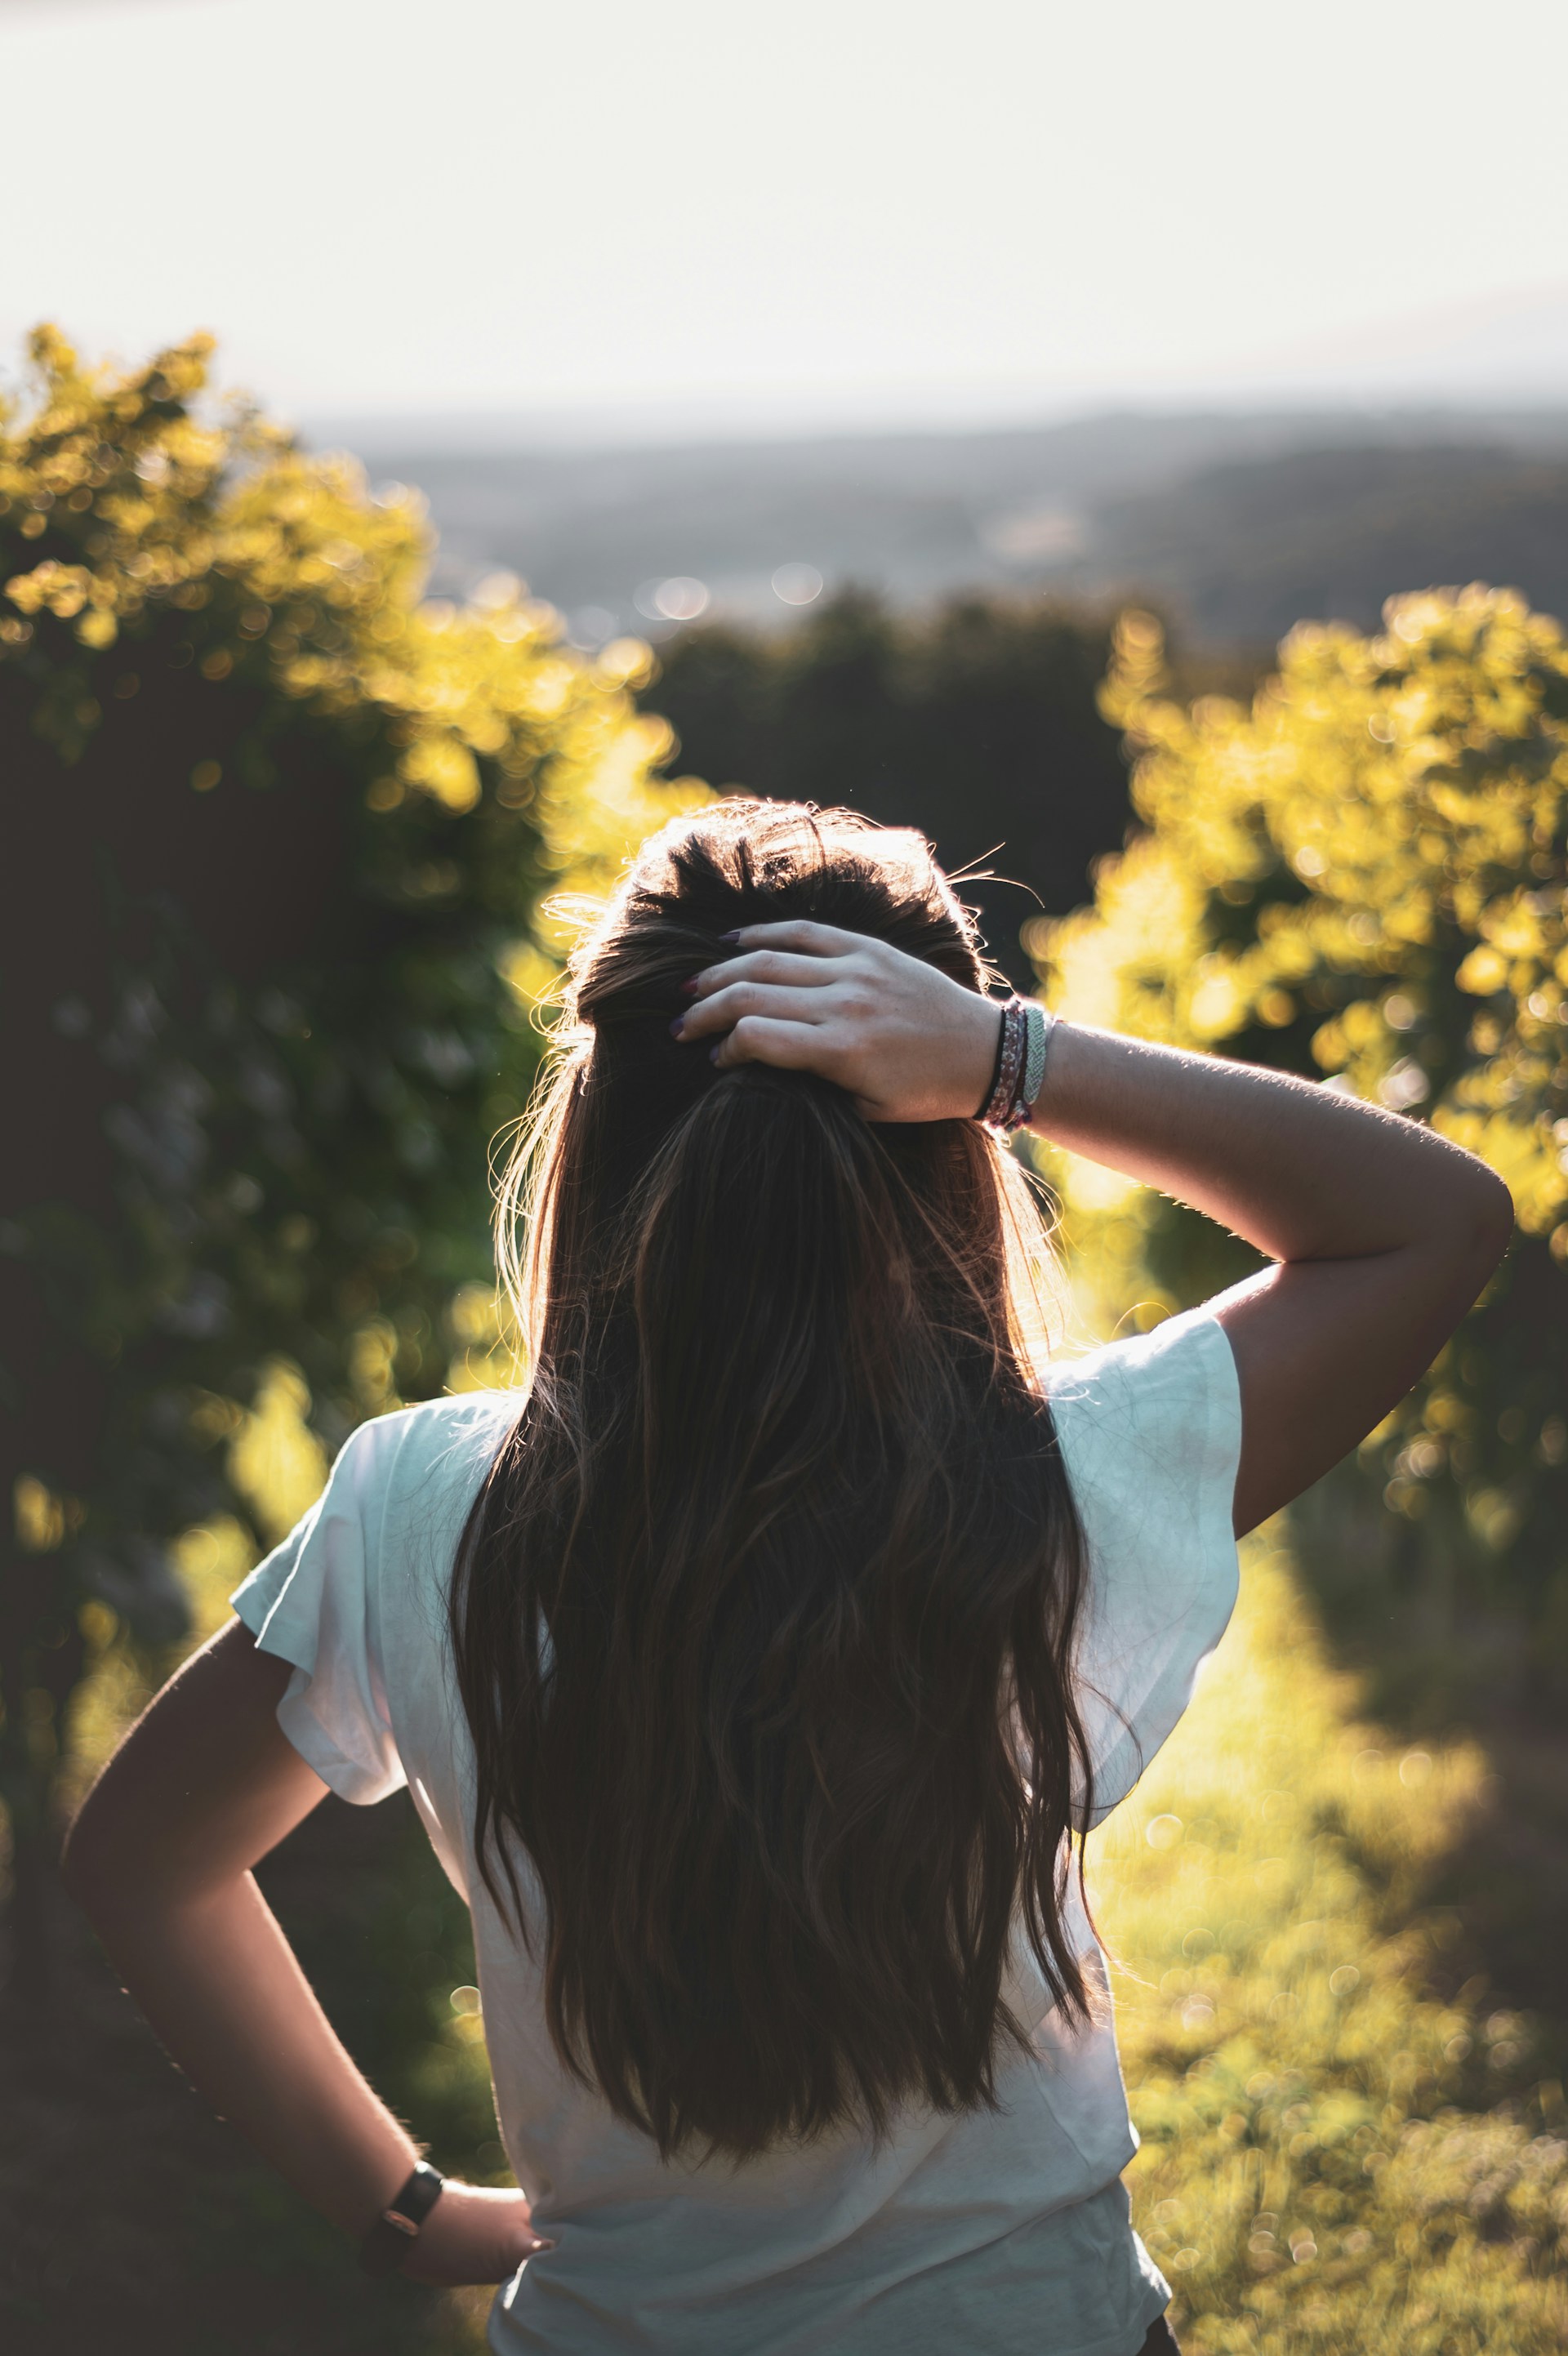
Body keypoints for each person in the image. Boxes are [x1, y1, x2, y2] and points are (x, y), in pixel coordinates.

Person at [64, 802, 1511, 2354]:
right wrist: (1012, 1058)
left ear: (592, 1135)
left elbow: (143, 1857)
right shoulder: (1067, 1471)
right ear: (949, 1149)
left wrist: (403, 2210)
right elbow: (1436, 1219)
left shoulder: (418, 1500)